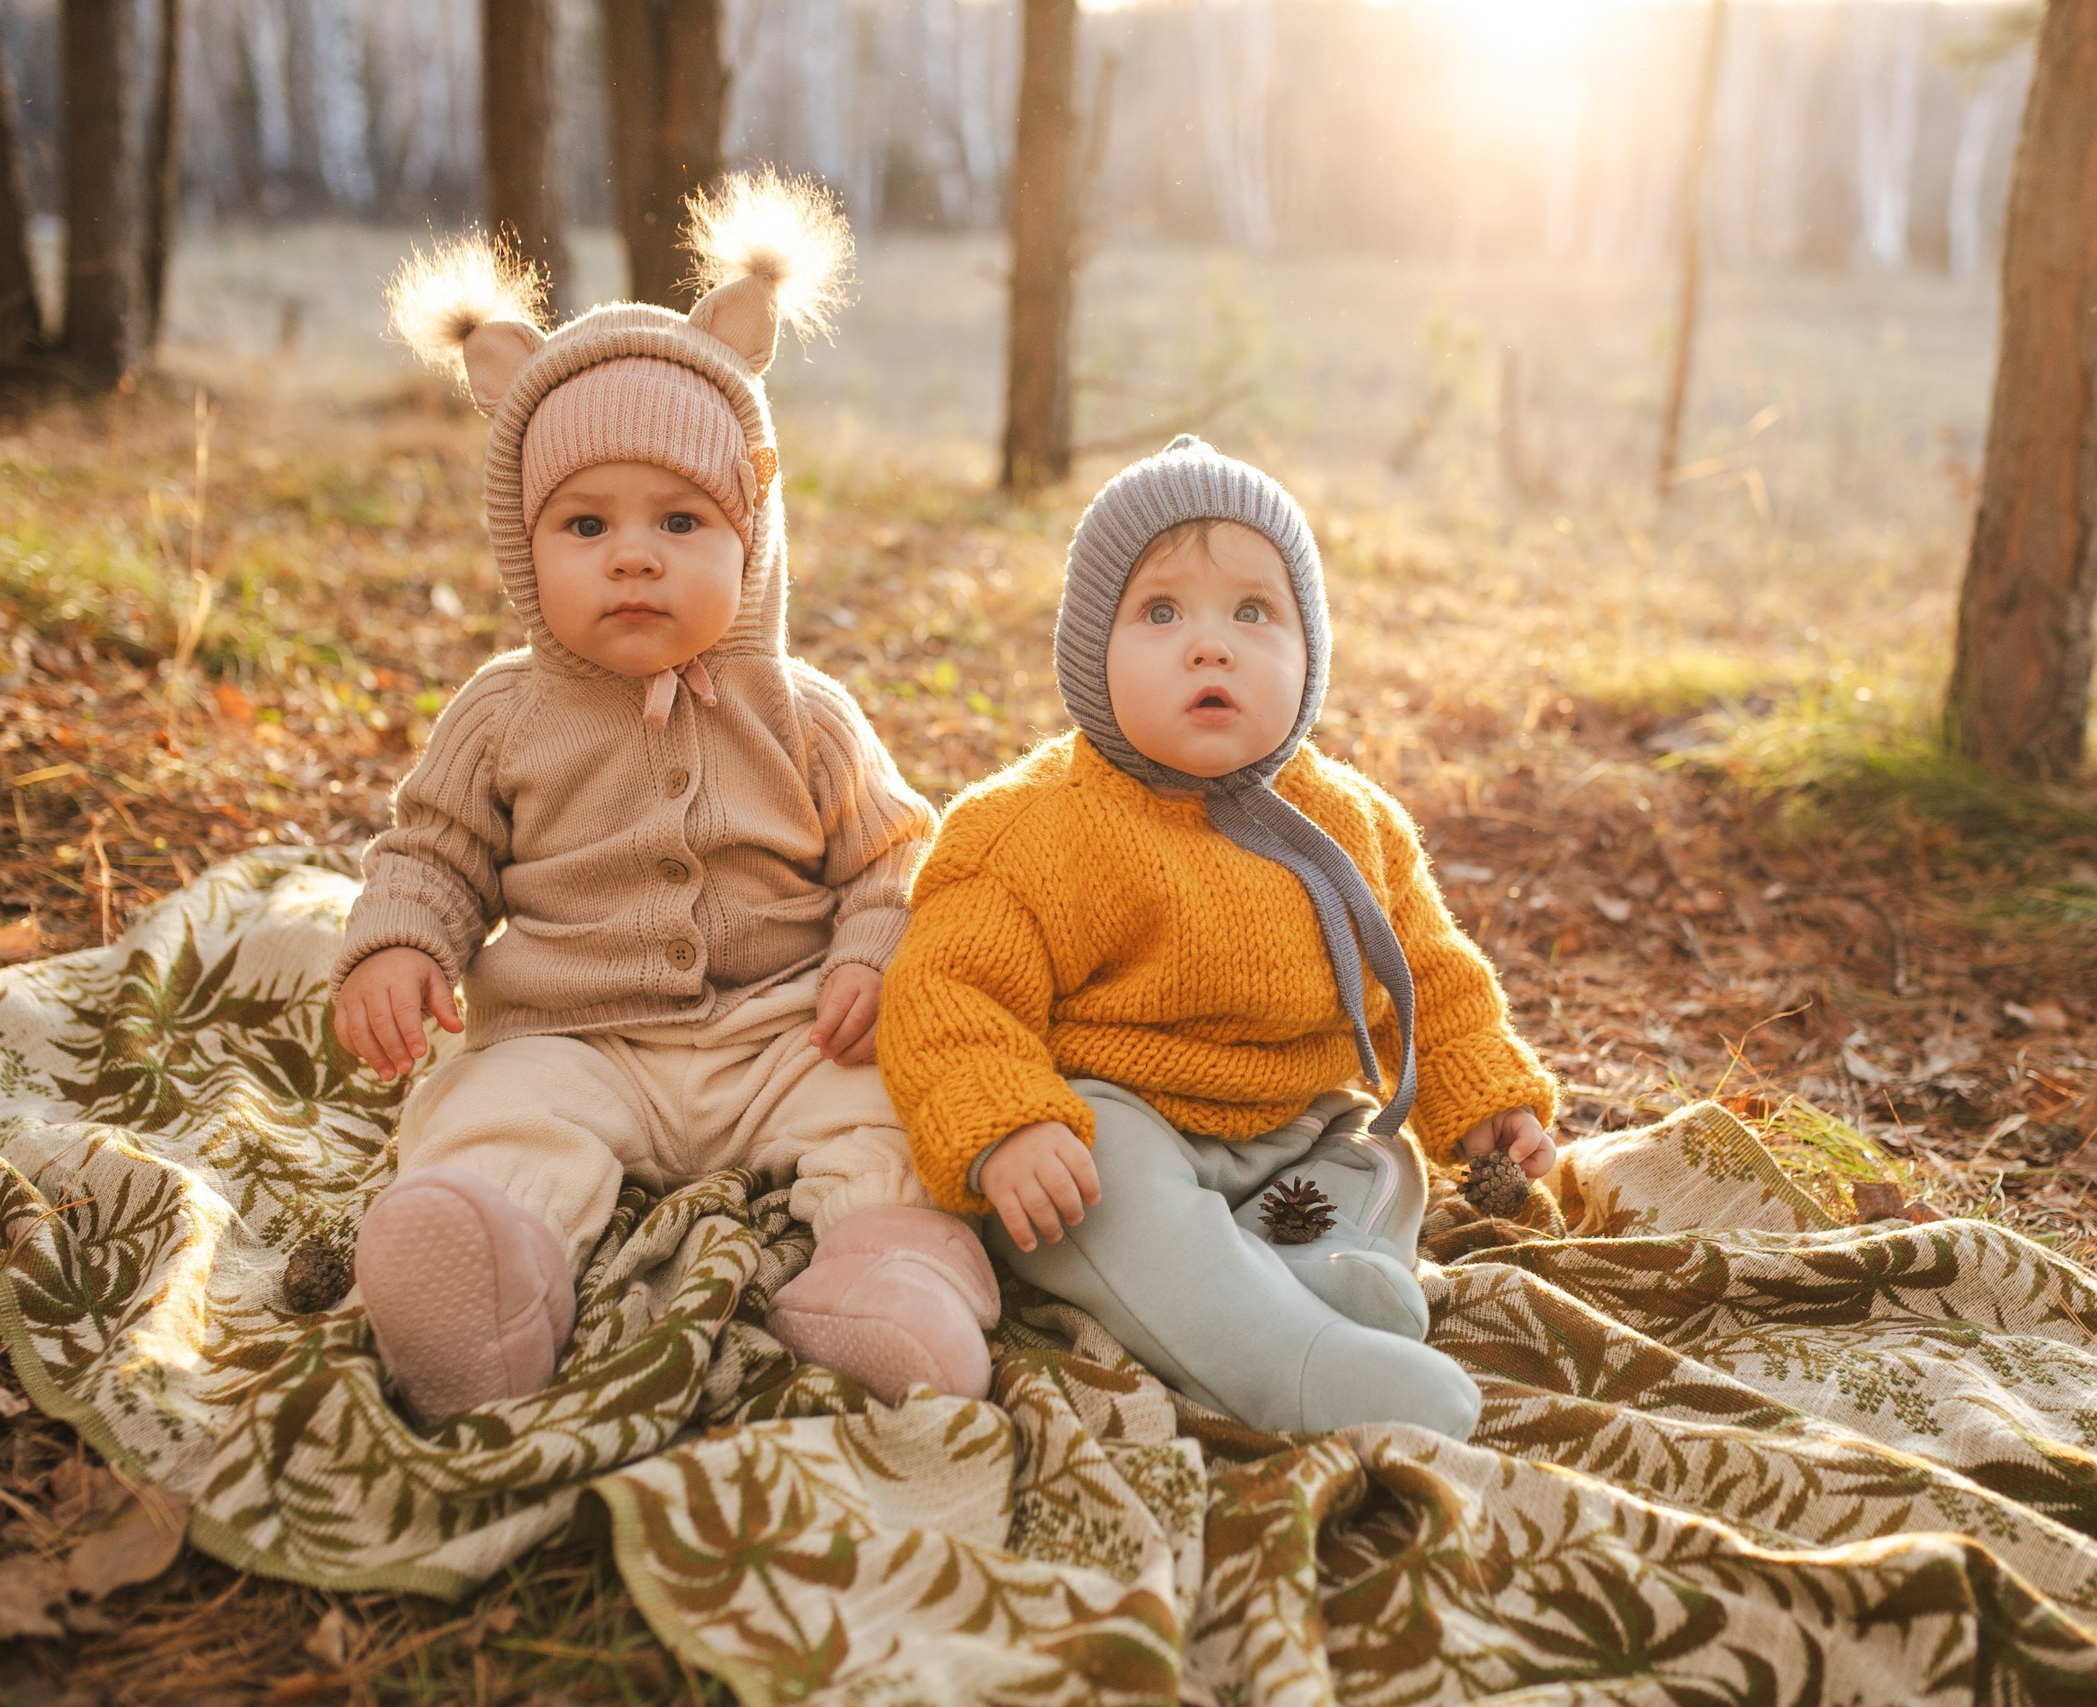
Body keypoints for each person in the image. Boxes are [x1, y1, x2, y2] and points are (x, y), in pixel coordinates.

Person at [330, 175, 997, 1423]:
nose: (632, 553)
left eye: (680, 519)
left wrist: (870, 956)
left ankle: (889, 1273)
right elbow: (432, 850)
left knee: (898, 1104)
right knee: (490, 1115)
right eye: (584, 524)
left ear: (750, 536)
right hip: (576, 1041)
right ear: (523, 550)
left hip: (784, 1032)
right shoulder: (503, 714)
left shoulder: (802, 712)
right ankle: (487, 1276)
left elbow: (899, 855)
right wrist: (400, 939)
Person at [881, 437, 1558, 1438]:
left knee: (1378, 1157)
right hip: (1122, 1124)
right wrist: (1005, 1123)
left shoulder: (1351, 824)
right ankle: (1285, 1360)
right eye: (1160, 613)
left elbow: (1430, 974)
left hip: (1298, 1127)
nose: (1211, 646)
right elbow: (946, 991)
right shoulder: (1030, 828)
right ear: (1086, 649)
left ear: (1309, 650)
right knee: (1104, 1188)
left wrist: (1482, 1095)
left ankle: (1326, 1273)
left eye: (1254, 612)